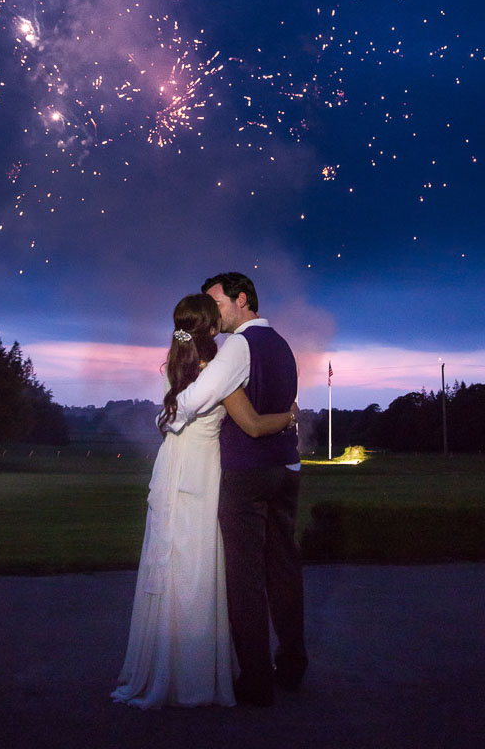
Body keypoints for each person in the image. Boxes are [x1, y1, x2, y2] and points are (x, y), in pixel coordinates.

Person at [112, 293, 297, 709]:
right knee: (199, 567)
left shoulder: (173, 365)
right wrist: (290, 416)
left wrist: (168, 417)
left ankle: (164, 662)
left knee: (171, 559)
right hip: (201, 472)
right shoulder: (218, 370)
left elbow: (168, 418)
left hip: (170, 467)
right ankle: (195, 673)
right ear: (212, 328)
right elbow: (250, 423)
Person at [169, 272, 308, 707]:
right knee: (283, 568)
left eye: (217, 304)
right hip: (286, 468)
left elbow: (197, 397)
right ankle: (292, 664)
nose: (213, 315)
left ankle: (255, 680)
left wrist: (170, 418)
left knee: (245, 577)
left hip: (248, 472)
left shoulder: (240, 346)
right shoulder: (283, 345)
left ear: (241, 300)